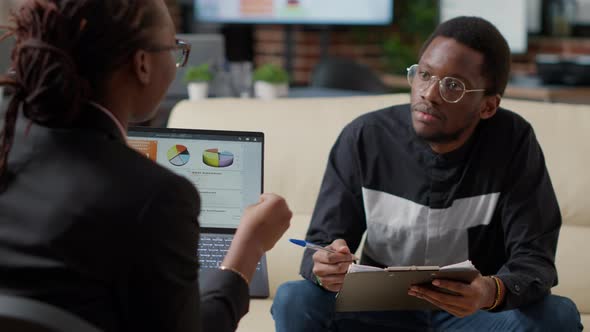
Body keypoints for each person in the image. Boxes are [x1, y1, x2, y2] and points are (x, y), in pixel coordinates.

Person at [271, 16, 583, 332]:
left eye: (453, 86)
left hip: (470, 315)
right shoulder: (366, 137)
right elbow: (322, 244)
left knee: (557, 316)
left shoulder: (513, 143)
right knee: (294, 299)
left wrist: (488, 291)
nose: (429, 94)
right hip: (376, 312)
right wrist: (327, 263)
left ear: (487, 106)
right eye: (424, 75)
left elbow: (534, 261)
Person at [0, 1, 292, 332]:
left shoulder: (8, 145)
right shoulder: (154, 197)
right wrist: (248, 247)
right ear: (142, 64)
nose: (177, 59)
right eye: (174, 48)